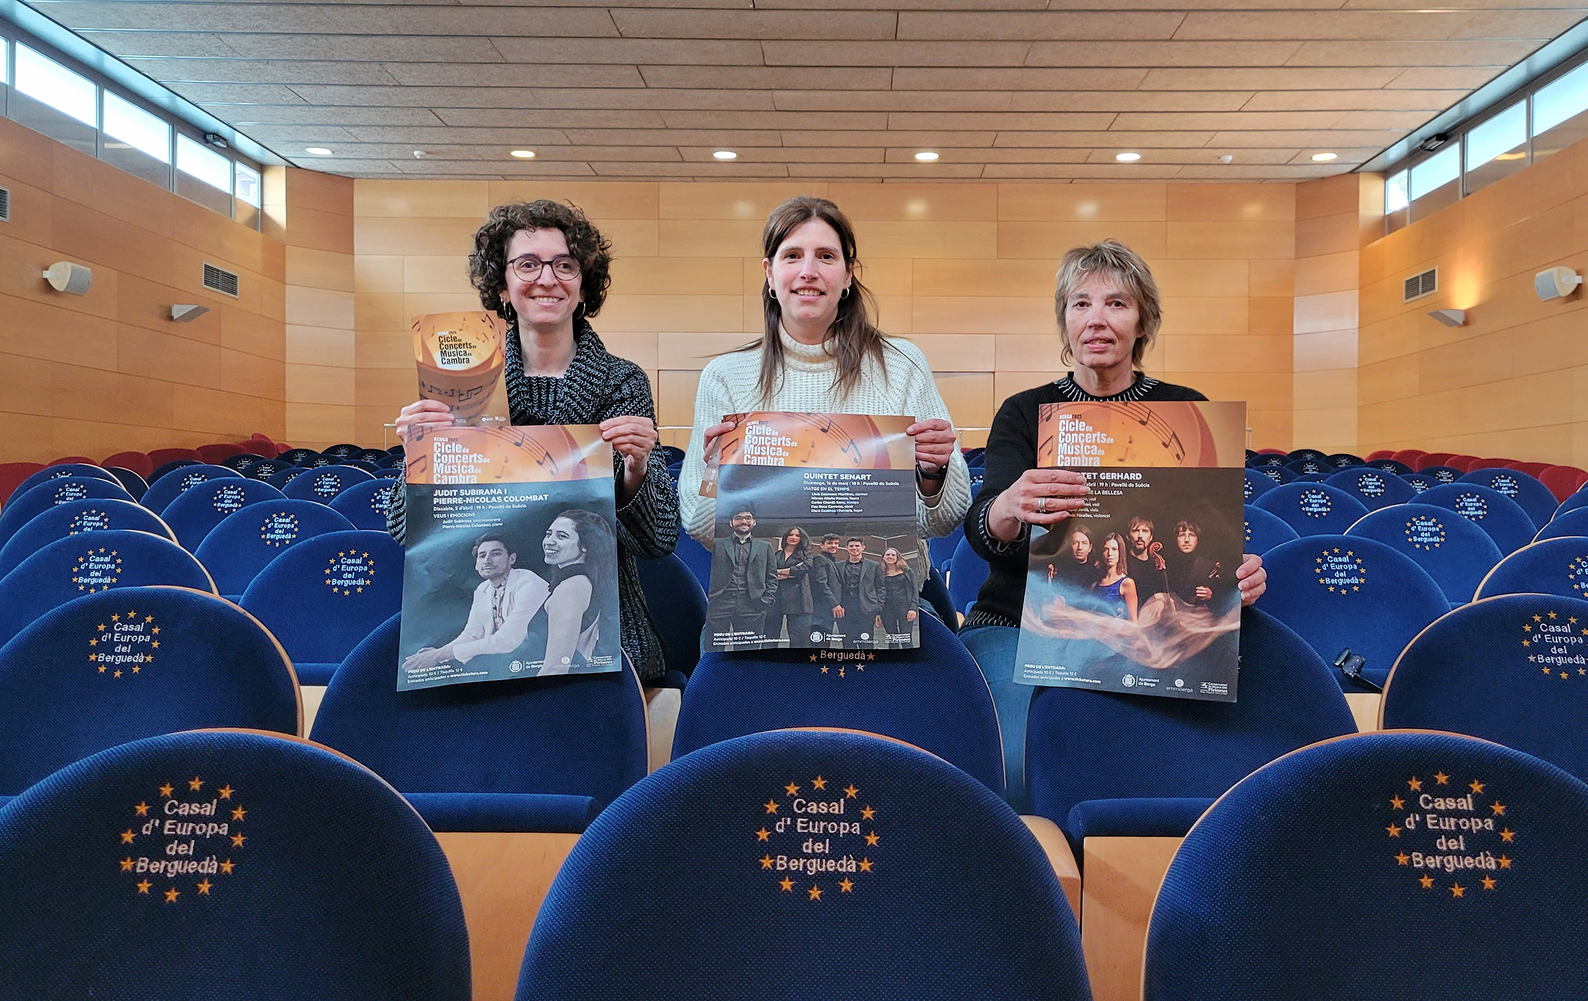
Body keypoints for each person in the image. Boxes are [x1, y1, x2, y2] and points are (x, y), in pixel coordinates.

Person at [958, 239, 1266, 811]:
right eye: (1080, 304)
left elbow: (1212, 535)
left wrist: (1240, 572)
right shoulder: (1025, 413)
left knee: (1183, 748)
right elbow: (985, 538)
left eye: (1117, 304)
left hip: (1150, 620)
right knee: (1015, 756)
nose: (1097, 319)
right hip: (1016, 622)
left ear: (1142, 318)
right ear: (1064, 320)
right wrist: (1005, 509)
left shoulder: (1189, 411)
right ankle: (1037, 870)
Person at [388, 200, 677, 683]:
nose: (547, 278)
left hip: (601, 625)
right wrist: (417, 458)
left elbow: (659, 540)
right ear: (502, 286)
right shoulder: (462, 382)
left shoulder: (622, 382)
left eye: (565, 265)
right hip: (480, 626)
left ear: (583, 285)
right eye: (528, 264)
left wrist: (636, 472)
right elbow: (407, 534)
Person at [677, 196, 971, 574]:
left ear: (848, 274)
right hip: (766, 598)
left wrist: (933, 474)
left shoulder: (902, 365)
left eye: (826, 257)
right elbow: (701, 528)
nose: (809, 271)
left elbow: (941, 522)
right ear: (769, 273)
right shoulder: (726, 376)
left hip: (884, 594)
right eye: (793, 255)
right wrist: (718, 476)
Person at [401, 532, 550, 673]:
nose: (487, 560)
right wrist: (438, 654)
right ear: (476, 565)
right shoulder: (483, 588)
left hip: (544, 658)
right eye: (482, 555)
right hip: (512, 659)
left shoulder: (528, 582)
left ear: (511, 559)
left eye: (496, 553)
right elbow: (471, 634)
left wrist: (440, 655)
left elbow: (508, 640)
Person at [527, 508, 619, 675]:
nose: (549, 541)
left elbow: (555, 669)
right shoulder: (582, 582)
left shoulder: (571, 588)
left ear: (585, 546)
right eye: (549, 534)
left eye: (561, 536)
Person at [706, 503, 778, 647]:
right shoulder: (717, 545)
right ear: (731, 523)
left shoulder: (765, 547)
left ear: (754, 522)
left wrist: (765, 600)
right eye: (738, 518)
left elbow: (772, 577)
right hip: (720, 602)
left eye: (748, 518)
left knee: (747, 650)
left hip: (752, 604)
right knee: (713, 649)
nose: (744, 521)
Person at [769, 526, 819, 646]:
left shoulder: (806, 554)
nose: (794, 537)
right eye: (791, 535)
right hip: (776, 598)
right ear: (786, 537)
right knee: (770, 637)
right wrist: (790, 572)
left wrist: (779, 571)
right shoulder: (777, 554)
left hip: (799, 600)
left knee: (798, 638)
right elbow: (769, 571)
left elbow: (803, 568)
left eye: (797, 535)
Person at [832, 537, 883, 645]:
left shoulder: (874, 565)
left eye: (857, 546)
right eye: (851, 546)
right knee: (847, 643)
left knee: (866, 642)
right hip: (844, 609)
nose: (854, 548)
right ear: (846, 548)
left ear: (863, 547)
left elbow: (880, 588)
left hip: (866, 608)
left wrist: (878, 609)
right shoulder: (837, 566)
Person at [1167, 520, 1226, 607]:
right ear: (1176, 539)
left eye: (1192, 535)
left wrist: (1210, 594)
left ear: (1198, 539)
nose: (1186, 540)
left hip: (1198, 615)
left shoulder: (1210, 566)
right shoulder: (1167, 565)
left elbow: (1223, 595)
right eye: (1182, 535)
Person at [1093, 532, 1139, 622]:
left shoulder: (1127, 583)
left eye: (1114, 549)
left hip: (1118, 634)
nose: (1109, 553)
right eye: (1106, 549)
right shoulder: (1095, 585)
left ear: (1120, 553)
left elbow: (1133, 621)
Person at [878, 547, 918, 646]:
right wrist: (877, 613)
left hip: (905, 608)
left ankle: (908, 660)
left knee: (906, 638)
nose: (890, 557)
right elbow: (876, 592)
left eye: (893, 555)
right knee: (892, 639)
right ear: (883, 557)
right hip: (886, 609)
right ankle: (894, 660)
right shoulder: (878, 573)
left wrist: (913, 608)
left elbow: (914, 591)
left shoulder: (907, 572)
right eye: (888, 555)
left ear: (897, 557)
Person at [808, 533, 844, 643]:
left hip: (827, 611)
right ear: (822, 545)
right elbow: (821, 583)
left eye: (836, 543)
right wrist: (834, 603)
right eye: (830, 543)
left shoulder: (831, 561)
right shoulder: (820, 559)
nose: (833, 545)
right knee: (819, 644)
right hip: (821, 611)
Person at [1125, 516, 1170, 601]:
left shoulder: (1156, 564)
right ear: (1128, 536)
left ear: (1151, 537)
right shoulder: (1123, 562)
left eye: (1145, 531)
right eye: (1135, 531)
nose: (1140, 536)